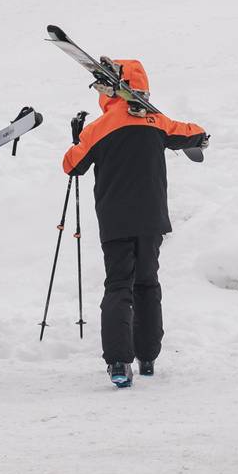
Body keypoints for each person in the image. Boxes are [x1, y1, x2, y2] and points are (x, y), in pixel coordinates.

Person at [63, 58, 209, 388]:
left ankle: (118, 363)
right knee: (147, 284)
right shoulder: (157, 121)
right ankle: (148, 358)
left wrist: (77, 138)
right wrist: (200, 137)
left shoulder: (99, 128)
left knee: (118, 286)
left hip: (115, 221)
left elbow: (72, 166)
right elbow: (194, 133)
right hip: (152, 219)